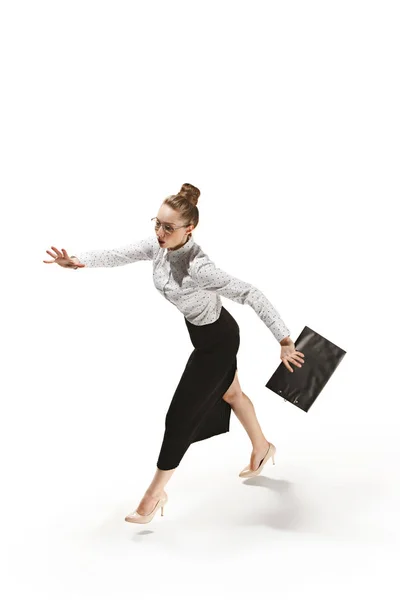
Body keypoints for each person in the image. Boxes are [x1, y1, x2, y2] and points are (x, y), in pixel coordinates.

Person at [43, 182, 305, 524]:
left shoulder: (199, 267)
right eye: (157, 223)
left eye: (168, 227)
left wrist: (284, 339)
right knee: (232, 393)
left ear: (189, 228)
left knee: (179, 416)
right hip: (202, 335)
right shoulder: (157, 247)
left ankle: (154, 494)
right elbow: (117, 254)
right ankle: (262, 447)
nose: (159, 232)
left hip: (219, 341)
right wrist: (77, 262)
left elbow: (250, 293)